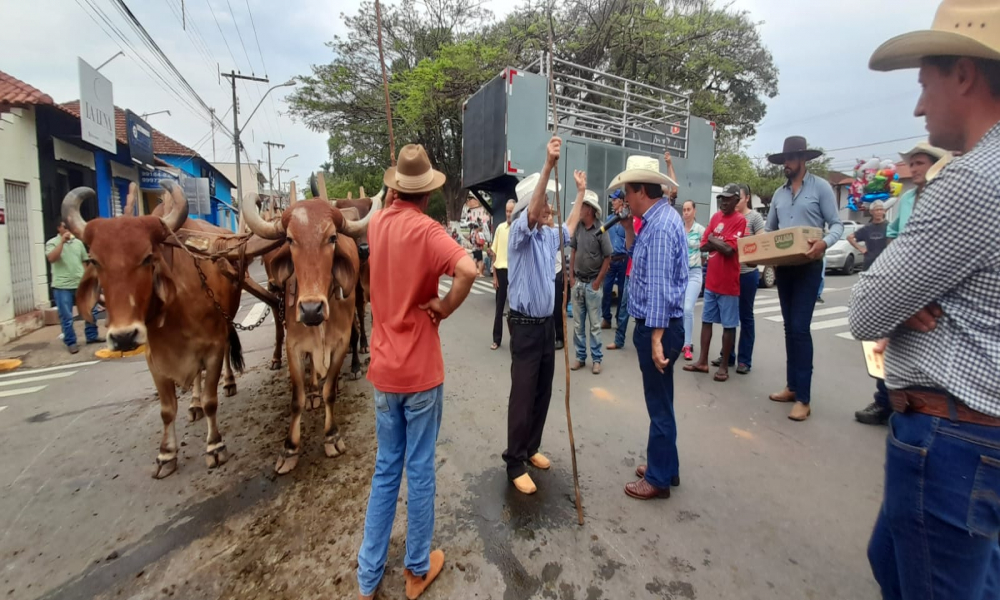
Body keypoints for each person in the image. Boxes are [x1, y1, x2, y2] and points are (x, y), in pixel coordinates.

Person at [853, 6, 1000, 596]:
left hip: (951, 439)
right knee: (894, 559)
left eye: (924, 83)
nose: (919, 106)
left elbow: (866, 311)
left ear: (963, 74)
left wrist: (893, 293)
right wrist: (901, 293)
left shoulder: (970, 181)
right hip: (968, 433)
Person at [357, 144, 477, 600]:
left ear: (394, 190)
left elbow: (388, 207)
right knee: (420, 468)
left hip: (384, 373)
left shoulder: (378, 222)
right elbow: (467, 269)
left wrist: (392, 195)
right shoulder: (428, 231)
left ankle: (367, 579)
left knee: (386, 469)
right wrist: (443, 307)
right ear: (426, 193)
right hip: (422, 372)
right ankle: (416, 568)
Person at [504, 137, 583, 495]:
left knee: (542, 392)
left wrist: (581, 193)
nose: (547, 210)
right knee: (522, 395)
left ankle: (531, 448)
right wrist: (548, 165)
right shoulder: (520, 234)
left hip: (545, 327)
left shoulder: (550, 238)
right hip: (523, 327)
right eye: (544, 204)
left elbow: (570, 226)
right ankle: (514, 461)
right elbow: (534, 212)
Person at [609, 155, 686, 500]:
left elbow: (657, 287)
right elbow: (636, 261)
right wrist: (627, 230)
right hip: (664, 325)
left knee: (658, 405)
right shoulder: (658, 220)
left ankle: (657, 478)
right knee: (663, 402)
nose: (625, 199)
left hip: (659, 327)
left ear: (642, 190)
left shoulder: (659, 226)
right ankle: (667, 466)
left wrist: (655, 338)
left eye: (628, 192)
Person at [854, 142, 945, 427]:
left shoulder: (945, 195)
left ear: (935, 166)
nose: (915, 168)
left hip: (934, 281)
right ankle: (884, 401)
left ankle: (920, 407)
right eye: (913, 163)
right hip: (904, 277)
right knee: (887, 341)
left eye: (921, 163)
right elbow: (894, 235)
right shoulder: (906, 199)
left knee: (925, 342)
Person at [764, 136, 843, 421]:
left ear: (803, 160)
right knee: (789, 328)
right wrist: (761, 250)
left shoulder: (820, 187)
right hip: (786, 268)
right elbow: (770, 230)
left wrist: (824, 243)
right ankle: (791, 387)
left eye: (791, 159)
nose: (786, 164)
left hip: (810, 266)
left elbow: (837, 225)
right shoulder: (779, 194)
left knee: (799, 328)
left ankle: (805, 399)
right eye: (784, 159)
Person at [683, 184, 745, 382]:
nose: (723, 202)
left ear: (737, 200)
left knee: (728, 326)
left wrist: (713, 240)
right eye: (722, 199)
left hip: (728, 284)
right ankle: (702, 361)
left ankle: (724, 366)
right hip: (711, 281)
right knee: (707, 321)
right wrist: (717, 241)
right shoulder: (715, 218)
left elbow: (729, 250)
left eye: (728, 199)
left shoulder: (740, 221)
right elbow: (703, 244)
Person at [711, 184, 765, 373]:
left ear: (746, 198)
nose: (731, 201)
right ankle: (728, 356)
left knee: (745, 317)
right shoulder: (726, 218)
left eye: (738, 198)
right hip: (727, 273)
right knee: (729, 319)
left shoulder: (754, 218)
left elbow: (761, 243)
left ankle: (744, 360)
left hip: (746, 274)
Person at [569, 190, 612, 375]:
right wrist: (570, 277)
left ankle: (596, 359)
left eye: (582, 205)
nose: (579, 209)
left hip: (592, 284)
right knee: (578, 325)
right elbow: (572, 252)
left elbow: (608, 258)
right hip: (578, 282)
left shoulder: (601, 229)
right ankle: (580, 357)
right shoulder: (578, 227)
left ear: (590, 210)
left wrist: (597, 282)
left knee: (594, 326)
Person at [46, 221, 103, 354]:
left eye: (69, 227)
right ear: (58, 228)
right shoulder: (52, 243)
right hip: (62, 286)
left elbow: (84, 262)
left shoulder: (78, 243)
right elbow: (52, 258)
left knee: (91, 310)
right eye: (65, 227)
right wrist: (62, 242)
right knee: (66, 316)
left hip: (80, 283)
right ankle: (71, 342)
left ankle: (92, 336)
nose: (68, 230)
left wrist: (87, 280)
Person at [678, 200, 705, 361]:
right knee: (680, 309)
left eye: (689, 209)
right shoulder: (679, 230)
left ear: (694, 211)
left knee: (688, 308)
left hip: (694, 273)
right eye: (684, 210)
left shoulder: (701, 230)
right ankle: (682, 341)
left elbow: (705, 255)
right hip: (680, 274)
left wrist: (695, 266)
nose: (686, 212)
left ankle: (688, 344)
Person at [489, 200, 516, 350]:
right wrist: (494, 277)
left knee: (515, 309)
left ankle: (515, 340)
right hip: (501, 271)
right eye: (507, 211)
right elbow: (494, 253)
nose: (508, 214)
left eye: (511, 211)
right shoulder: (500, 228)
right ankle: (496, 339)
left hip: (514, 272)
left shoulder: (518, 229)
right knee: (499, 308)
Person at [601, 190, 628, 330]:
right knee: (606, 289)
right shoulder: (609, 219)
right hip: (611, 260)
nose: (613, 202)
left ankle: (619, 319)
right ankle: (606, 318)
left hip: (623, 260)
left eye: (615, 200)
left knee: (623, 292)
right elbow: (604, 240)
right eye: (613, 200)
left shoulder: (627, 220)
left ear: (622, 201)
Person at [848, 200, 888, 270]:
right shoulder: (867, 228)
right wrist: (861, 248)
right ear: (871, 212)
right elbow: (850, 238)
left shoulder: (889, 226)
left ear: (884, 211)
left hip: (885, 263)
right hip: (869, 263)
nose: (879, 212)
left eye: (881, 209)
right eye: (876, 210)